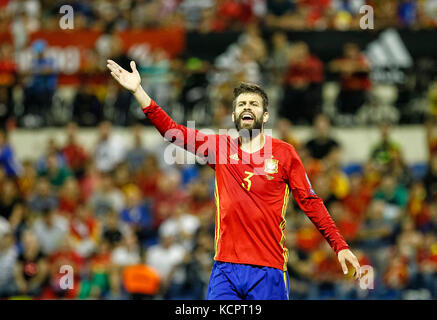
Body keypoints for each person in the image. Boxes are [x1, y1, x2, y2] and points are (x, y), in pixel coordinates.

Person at [106, 59, 362, 300]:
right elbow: (175, 133)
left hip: (268, 269)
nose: (247, 108)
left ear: (265, 116)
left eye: (253, 104)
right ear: (234, 116)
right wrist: (139, 91)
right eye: (241, 104)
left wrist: (340, 246)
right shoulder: (220, 148)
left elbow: (310, 201)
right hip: (225, 269)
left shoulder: (285, 153)